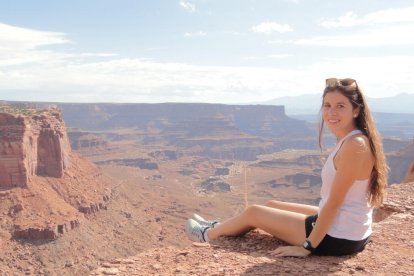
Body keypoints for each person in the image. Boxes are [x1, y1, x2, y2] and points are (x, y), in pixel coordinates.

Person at [185, 78, 388, 257]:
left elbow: (334, 203)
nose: (331, 112)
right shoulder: (352, 139)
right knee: (271, 204)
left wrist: (307, 246)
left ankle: (208, 234)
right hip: (346, 228)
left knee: (254, 212)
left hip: (339, 237)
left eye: (340, 106)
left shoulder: (355, 145)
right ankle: (221, 227)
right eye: (327, 105)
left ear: (357, 110)